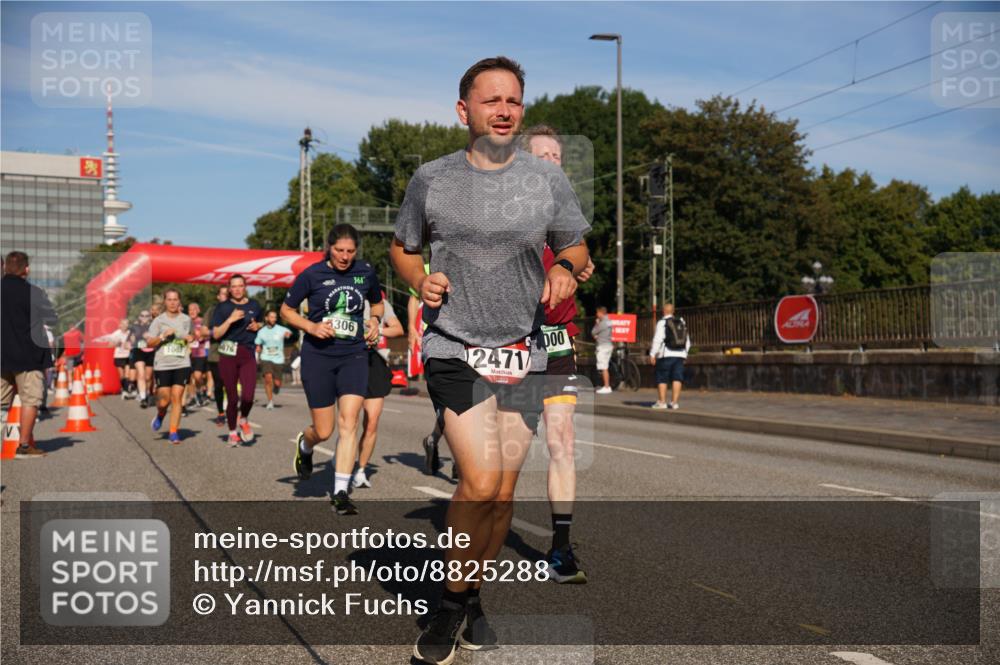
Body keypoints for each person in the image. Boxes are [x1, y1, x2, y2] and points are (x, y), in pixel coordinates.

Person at [390, 56, 589, 664]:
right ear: (464, 111)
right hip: (454, 344)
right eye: (492, 100)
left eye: (514, 102)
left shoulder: (547, 180)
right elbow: (403, 247)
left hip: (523, 352)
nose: (504, 111)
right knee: (476, 479)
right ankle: (449, 606)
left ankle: (472, 595)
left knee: (501, 496)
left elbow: (577, 248)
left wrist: (563, 269)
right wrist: (418, 280)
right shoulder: (432, 178)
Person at [524, 124, 595, 584]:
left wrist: (577, 265)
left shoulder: (568, 217)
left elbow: (580, 256)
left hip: (556, 340)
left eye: (557, 156)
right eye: (542, 155)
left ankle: (561, 547)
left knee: (561, 441)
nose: (552, 161)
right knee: (496, 458)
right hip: (509, 342)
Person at [281, 223, 383, 515]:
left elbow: (376, 303)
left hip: (353, 354)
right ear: (329, 248)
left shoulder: (365, 271)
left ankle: (340, 491)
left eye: (350, 251)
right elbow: (286, 310)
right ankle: (306, 445)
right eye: (340, 250)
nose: (345, 256)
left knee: (349, 421)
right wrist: (311, 326)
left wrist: (374, 321)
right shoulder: (313, 274)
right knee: (324, 431)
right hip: (319, 357)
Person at [1, 251, 57, 457]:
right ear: (26, 269)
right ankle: (24, 446)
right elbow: (52, 320)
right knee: (30, 400)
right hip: (28, 357)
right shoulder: (34, 292)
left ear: (5, 267)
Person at [352, 290, 405, 489]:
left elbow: (398, 329)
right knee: (351, 420)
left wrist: (377, 329)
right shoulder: (347, 296)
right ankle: (344, 454)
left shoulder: (381, 303)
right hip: (350, 359)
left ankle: (360, 470)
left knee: (372, 422)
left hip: (374, 361)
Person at [211, 275, 263, 446]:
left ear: (245, 287)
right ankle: (232, 432)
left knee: (248, 396)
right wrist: (231, 319)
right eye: (234, 286)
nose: (238, 289)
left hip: (247, 353)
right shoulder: (222, 307)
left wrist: (258, 326)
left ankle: (244, 419)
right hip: (228, 354)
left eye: (241, 286)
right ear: (229, 289)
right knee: (232, 398)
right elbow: (216, 334)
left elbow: (260, 322)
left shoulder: (254, 305)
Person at [145, 289, 193, 443]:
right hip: (163, 365)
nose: (172, 302)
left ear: (179, 301)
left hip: (182, 363)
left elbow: (190, 335)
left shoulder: (186, 319)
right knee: (164, 401)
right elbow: (149, 343)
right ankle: (160, 414)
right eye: (169, 300)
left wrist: (191, 338)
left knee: (177, 397)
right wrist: (162, 336)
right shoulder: (158, 321)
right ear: (165, 302)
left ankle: (173, 432)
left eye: (175, 299)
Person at [649, 303, 691, 409]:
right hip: (680, 354)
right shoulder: (681, 322)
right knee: (677, 378)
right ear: (673, 311)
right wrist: (685, 354)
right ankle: (674, 403)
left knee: (662, 378)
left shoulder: (662, 322)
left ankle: (662, 402)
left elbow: (657, 340)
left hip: (666, 354)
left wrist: (652, 354)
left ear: (663, 311)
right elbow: (687, 341)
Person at [255, 310, 292, 410]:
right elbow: (258, 343)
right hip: (266, 357)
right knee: (268, 378)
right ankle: (270, 401)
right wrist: (258, 347)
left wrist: (288, 334)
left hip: (278, 358)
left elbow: (289, 333)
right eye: (271, 317)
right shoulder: (261, 331)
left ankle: (277, 387)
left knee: (277, 382)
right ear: (266, 318)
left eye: (275, 317)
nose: (273, 319)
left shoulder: (281, 329)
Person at [205, 285, 229, 426]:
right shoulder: (212, 311)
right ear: (218, 297)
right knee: (219, 385)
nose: (225, 297)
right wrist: (216, 332)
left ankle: (232, 410)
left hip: (234, 353)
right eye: (222, 294)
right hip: (216, 354)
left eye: (227, 294)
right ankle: (221, 412)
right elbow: (203, 332)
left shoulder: (237, 310)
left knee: (232, 385)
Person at [95, 319, 135, 399]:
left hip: (128, 355)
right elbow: (109, 345)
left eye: (127, 324)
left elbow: (134, 342)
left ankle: (127, 391)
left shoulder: (130, 333)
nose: (125, 326)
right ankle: (124, 389)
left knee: (127, 375)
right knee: (121, 375)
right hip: (118, 356)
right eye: (123, 324)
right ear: (119, 325)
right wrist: (117, 343)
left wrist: (131, 344)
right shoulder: (116, 334)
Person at [129, 310, 155, 406]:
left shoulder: (154, 326)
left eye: (147, 316)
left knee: (148, 377)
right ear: (139, 317)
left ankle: (147, 393)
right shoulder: (135, 327)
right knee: (141, 373)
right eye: (142, 315)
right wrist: (135, 338)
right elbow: (130, 339)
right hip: (138, 351)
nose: (144, 317)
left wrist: (152, 337)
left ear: (150, 317)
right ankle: (143, 397)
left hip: (151, 352)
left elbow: (159, 338)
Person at [186, 302, 209, 408]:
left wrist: (202, 336)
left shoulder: (202, 322)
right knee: (189, 378)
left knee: (198, 376)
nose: (192, 311)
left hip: (200, 353)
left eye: (194, 309)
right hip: (187, 353)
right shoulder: (185, 322)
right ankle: (192, 397)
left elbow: (208, 335)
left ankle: (200, 390)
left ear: (198, 310)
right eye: (190, 309)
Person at [592, 306, 613, 394]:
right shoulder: (609, 321)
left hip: (602, 346)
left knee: (603, 367)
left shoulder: (602, 323)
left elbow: (593, 332)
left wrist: (597, 323)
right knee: (605, 366)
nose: (596, 315)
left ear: (601, 313)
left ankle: (606, 386)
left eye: (597, 313)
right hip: (608, 345)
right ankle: (606, 385)